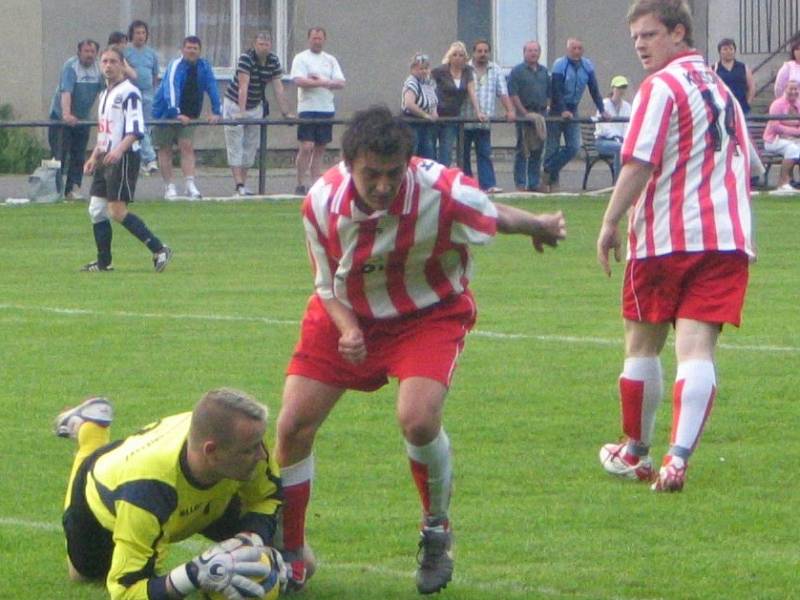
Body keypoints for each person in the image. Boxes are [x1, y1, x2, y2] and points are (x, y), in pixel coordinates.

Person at [275, 106, 566, 594]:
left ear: (409, 162)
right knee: (292, 425)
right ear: (349, 165)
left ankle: (436, 527)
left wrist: (537, 225)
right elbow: (325, 284)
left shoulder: (443, 190)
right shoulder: (321, 202)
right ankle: (291, 550)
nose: (384, 186)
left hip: (428, 313)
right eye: (372, 175)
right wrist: (347, 329)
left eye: (394, 174)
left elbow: (492, 214)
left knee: (418, 418)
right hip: (349, 312)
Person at [596, 0, 758, 493]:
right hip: (727, 239)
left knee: (641, 344)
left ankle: (637, 452)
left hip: (665, 239)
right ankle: (678, 459)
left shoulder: (660, 88)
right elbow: (749, 163)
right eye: (636, 39)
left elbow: (638, 162)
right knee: (697, 350)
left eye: (649, 35)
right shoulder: (722, 90)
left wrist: (609, 222)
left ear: (678, 32)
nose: (641, 45)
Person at [54, 389, 287, 600]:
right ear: (212, 451)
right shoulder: (145, 491)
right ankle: (91, 434)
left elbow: (267, 497)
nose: (262, 456)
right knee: (86, 575)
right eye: (250, 449)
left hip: (209, 495)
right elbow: (125, 593)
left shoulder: (241, 444)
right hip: (105, 488)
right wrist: (194, 575)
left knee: (299, 557)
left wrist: (252, 539)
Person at [80, 47, 172, 273]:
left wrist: (119, 151)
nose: (108, 66)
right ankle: (104, 262)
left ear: (122, 65)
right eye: (105, 62)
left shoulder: (129, 92)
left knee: (116, 210)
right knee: (96, 209)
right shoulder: (104, 94)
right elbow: (104, 132)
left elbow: (136, 129)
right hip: (106, 156)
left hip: (124, 156)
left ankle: (160, 249)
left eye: (113, 61)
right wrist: (94, 156)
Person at [153, 35, 222, 200]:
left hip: (190, 113)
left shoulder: (204, 67)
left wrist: (216, 111)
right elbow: (171, 88)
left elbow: (212, 86)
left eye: (195, 48)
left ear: (199, 51)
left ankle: (190, 184)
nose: (191, 51)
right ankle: (169, 186)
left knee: (187, 146)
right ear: (182, 50)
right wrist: (175, 112)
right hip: (165, 113)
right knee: (165, 148)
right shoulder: (175, 65)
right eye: (189, 48)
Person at [223, 31, 292, 197]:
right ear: (254, 44)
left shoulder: (273, 60)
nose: (264, 47)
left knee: (250, 147)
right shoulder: (246, 58)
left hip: (256, 105)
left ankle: (243, 185)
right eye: (261, 43)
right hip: (234, 103)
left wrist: (286, 112)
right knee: (235, 144)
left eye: (267, 44)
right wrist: (241, 112)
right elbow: (243, 86)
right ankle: (238, 184)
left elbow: (278, 87)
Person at [542, 38, 609, 193]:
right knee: (552, 147)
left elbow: (594, 89)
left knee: (574, 146)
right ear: (568, 50)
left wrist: (602, 109)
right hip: (557, 108)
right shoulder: (560, 65)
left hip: (574, 107)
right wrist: (563, 109)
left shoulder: (587, 65)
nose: (577, 51)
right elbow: (556, 90)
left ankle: (546, 170)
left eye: (579, 48)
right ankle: (551, 183)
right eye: (574, 48)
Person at [290, 27, 346, 196]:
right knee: (307, 146)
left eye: (320, 38)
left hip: (326, 108)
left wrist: (322, 81)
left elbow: (341, 83)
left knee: (320, 148)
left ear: (324, 40)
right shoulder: (301, 58)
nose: (317, 41)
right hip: (308, 108)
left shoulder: (330, 60)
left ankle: (315, 184)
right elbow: (299, 80)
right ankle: (300, 182)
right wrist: (322, 83)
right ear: (309, 39)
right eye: (314, 38)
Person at [48, 39, 103, 200]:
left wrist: (103, 115)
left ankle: (72, 190)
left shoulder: (99, 69)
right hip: (61, 118)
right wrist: (66, 114)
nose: (89, 55)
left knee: (79, 155)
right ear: (79, 52)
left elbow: (104, 93)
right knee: (59, 155)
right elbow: (66, 92)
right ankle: (56, 191)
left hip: (83, 119)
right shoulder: (71, 67)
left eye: (92, 52)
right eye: (86, 51)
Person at [462, 39, 515, 193]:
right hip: (465, 119)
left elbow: (503, 92)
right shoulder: (466, 68)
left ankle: (488, 184)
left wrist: (510, 110)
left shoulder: (495, 69)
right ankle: (467, 185)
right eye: (479, 51)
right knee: (464, 154)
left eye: (486, 51)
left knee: (484, 152)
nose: (483, 54)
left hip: (484, 120)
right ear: (473, 52)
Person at [431, 41, 486, 168]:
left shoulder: (467, 72)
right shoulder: (440, 71)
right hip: (436, 115)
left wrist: (478, 112)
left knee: (447, 151)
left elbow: (472, 92)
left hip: (452, 117)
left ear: (465, 58)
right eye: (455, 55)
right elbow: (429, 88)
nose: (458, 58)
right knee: (431, 150)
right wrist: (431, 109)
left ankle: (443, 180)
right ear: (449, 56)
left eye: (461, 55)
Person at [508, 40, 550, 192]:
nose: (533, 53)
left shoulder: (544, 71)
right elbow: (513, 94)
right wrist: (524, 113)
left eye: (536, 50)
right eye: (530, 50)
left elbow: (549, 93)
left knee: (538, 150)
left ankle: (533, 182)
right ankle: (520, 183)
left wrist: (546, 109)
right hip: (523, 115)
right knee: (522, 149)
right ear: (524, 52)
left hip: (540, 115)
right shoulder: (517, 72)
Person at [125, 20, 161, 175]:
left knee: (146, 127)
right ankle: (150, 158)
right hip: (132, 94)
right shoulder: (126, 52)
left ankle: (141, 159)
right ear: (131, 35)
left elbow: (155, 76)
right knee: (137, 126)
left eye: (143, 33)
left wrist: (153, 93)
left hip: (148, 95)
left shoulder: (152, 54)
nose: (140, 36)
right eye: (137, 33)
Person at [763, 79, 800, 195]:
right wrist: (795, 132)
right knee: (793, 149)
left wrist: (793, 133)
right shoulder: (777, 104)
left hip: (792, 139)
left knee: (795, 147)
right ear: (785, 89)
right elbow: (775, 126)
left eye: (796, 89)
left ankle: (792, 182)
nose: (793, 91)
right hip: (773, 140)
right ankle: (782, 182)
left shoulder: (798, 104)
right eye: (791, 89)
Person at [594, 75, 632, 184]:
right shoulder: (604, 105)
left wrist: (624, 138)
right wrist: (616, 137)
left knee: (628, 148)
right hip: (603, 141)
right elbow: (604, 128)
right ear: (613, 88)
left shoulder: (627, 106)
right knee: (619, 148)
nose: (621, 90)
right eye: (619, 87)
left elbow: (628, 126)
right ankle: (618, 183)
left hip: (622, 141)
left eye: (623, 87)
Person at [401, 52, 438, 160]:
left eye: (426, 68)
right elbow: (409, 104)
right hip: (412, 123)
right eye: (421, 68)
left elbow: (433, 99)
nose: (424, 71)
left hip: (426, 124)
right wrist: (425, 115)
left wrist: (434, 112)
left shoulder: (428, 82)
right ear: (412, 69)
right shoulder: (411, 82)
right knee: (413, 153)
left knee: (428, 155)